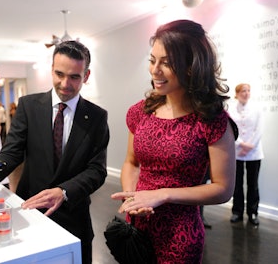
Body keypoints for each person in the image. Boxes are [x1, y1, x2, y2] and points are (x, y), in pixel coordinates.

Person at [0, 40, 110, 264]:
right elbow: (11, 154)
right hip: (31, 212)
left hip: (74, 216)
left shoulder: (96, 117)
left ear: (86, 75)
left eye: (74, 76)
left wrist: (63, 191)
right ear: (51, 69)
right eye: (59, 74)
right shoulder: (28, 106)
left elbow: (97, 170)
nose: (65, 83)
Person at [110, 20, 237, 263]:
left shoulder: (211, 120)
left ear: (191, 66)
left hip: (179, 235)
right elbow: (131, 163)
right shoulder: (140, 112)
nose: (154, 70)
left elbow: (223, 189)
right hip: (136, 227)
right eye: (152, 60)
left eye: (166, 63)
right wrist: (132, 197)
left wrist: (163, 194)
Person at [229, 83, 264, 226]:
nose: (246, 93)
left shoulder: (257, 109)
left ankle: (253, 212)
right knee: (237, 184)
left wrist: (250, 146)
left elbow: (259, 129)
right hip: (236, 152)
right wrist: (241, 144)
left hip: (254, 152)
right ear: (237, 93)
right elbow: (230, 129)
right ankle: (237, 212)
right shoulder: (230, 109)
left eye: (248, 90)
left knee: (253, 184)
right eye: (243, 91)